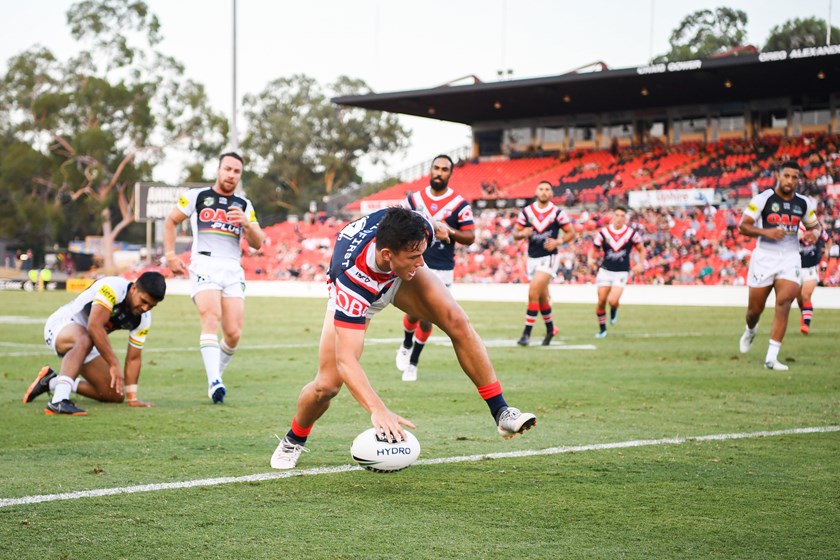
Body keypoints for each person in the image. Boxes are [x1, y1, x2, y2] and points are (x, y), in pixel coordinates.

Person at [270, 207, 536, 469]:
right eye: (414, 256)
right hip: (362, 288)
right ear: (387, 254)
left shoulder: (418, 230)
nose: (422, 262)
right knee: (326, 386)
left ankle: (501, 411)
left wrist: (443, 231)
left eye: (422, 252)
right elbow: (346, 360)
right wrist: (378, 408)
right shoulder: (350, 281)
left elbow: (436, 229)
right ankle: (294, 438)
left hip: (395, 277)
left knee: (456, 320)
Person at [163, 152, 265, 403]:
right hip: (204, 262)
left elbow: (258, 243)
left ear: (240, 175)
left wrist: (247, 225)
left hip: (232, 267)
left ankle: (214, 375)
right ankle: (214, 382)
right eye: (227, 169)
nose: (231, 174)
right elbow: (171, 221)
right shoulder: (197, 196)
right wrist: (169, 254)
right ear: (218, 170)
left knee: (233, 333)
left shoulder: (244, 204)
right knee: (211, 318)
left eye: (236, 171)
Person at [23, 272, 167, 415]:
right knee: (86, 338)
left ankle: (52, 382)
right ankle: (58, 401)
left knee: (113, 395)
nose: (145, 308)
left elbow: (134, 358)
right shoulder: (113, 287)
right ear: (134, 288)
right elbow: (94, 326)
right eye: (144, 301)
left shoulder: (143, 318)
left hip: (88, 340)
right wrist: (114, 363)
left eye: (151, 306)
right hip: (62, 325)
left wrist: (132, 397)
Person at [396, 154, 475, 382]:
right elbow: (399, 225)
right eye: (436, 168)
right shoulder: (414, 200)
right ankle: (407, 342)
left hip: (443, 267)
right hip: (417, 262)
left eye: (444, 169)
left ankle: (413, 363)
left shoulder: (459, 205)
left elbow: (470, 237)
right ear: (431, 170)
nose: (439, 172)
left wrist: (451, 231)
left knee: (429, 316)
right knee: (412, 311)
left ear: (450, 173)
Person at [738, 161, 820, 370]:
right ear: (778, 175)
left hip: (790, 257)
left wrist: (813, 234)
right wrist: (767, 232)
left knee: (784, 303)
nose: (790, 181)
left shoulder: (803, 203)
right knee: (754, 310)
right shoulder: (763, 199)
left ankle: (771, 358)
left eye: (794, 178)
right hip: (765, 257)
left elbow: (815, 227)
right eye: (787, 176)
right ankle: (751, 329)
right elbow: (743, 226)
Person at [513, 180, 576, 346]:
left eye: (547, 189)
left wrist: (558, 241)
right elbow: (516, 234)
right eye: (541, 189)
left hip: (549, 258)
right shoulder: (527, 212)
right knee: (541, 298)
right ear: (536, 192)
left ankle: (526, 334)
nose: (544, 192)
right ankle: (550, 329)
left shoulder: (557, 213)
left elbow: (571, 233)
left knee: (533, 293)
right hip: (532, 258)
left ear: (551, 193)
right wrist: (522, 233)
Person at [587, 206, 646, 338]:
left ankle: (614, 310)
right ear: (612, 217)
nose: (619, 218)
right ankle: (602, 330)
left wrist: (641, 263)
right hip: (605, 271)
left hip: (621, 272)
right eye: (617, 215)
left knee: (613, 301)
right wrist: (590, 259)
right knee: (601, 301)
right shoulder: (603, 233)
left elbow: (642, 249)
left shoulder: (631, 234)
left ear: (625, 219)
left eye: (622, 216)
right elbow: (594, 248)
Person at [797, 224, 831, 334]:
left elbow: (828, 240)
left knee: (806, 295)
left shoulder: (817, 227)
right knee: (799, 299)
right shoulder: (794, 226)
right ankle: (804, 314)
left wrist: (826, 253)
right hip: (795, 267)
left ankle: (806, 325)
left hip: (811, 267)